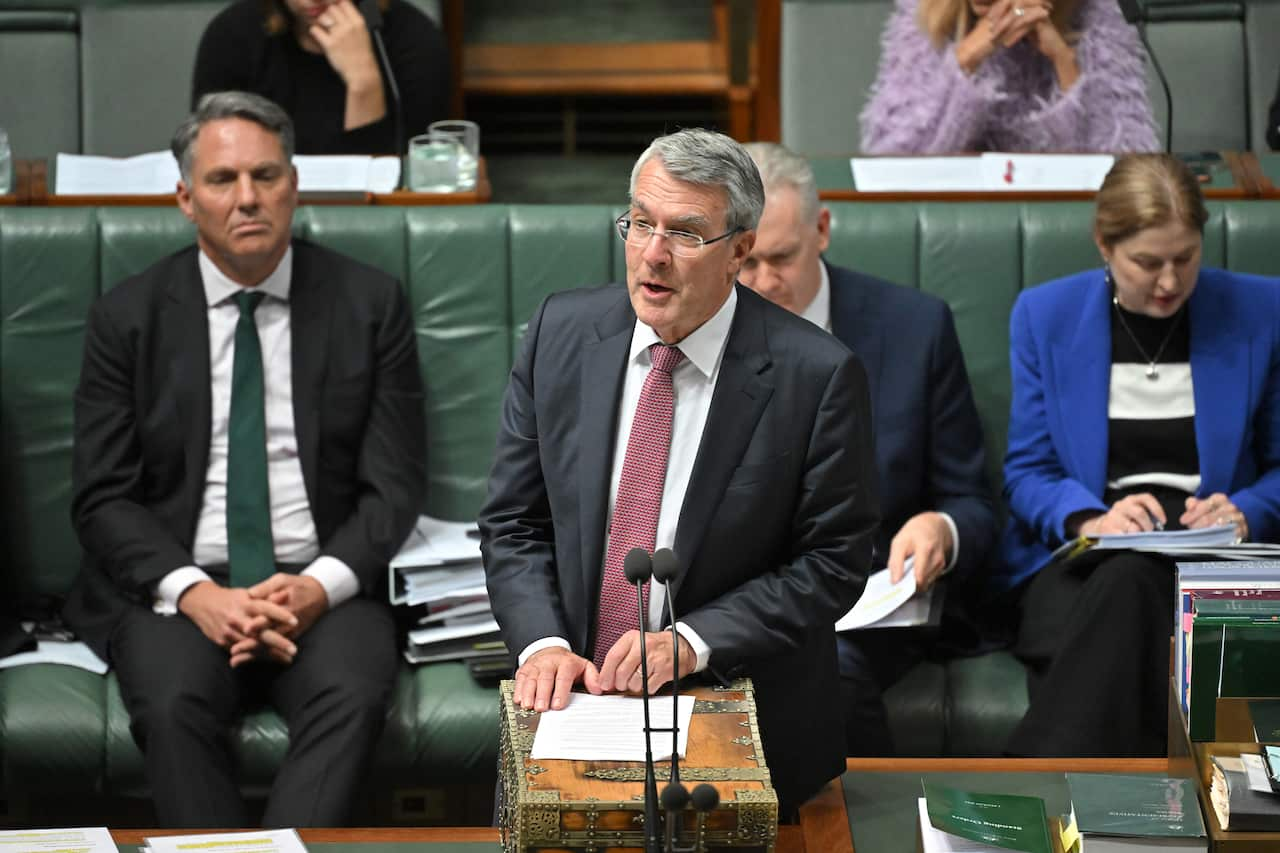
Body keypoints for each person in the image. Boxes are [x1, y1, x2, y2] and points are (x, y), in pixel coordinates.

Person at [478, 128, 879, 814]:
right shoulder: (560, 334)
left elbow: (833, 563)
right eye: (641, 224)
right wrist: (542, 641)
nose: (653, 255)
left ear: (740, 250)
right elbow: (514, 522)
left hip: (735, 708)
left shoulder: (816, 374)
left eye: (687, 234)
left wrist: (691, 643)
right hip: (574, 702)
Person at [63, 91, 426, 826]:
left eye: (266, 176)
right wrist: (198, 593)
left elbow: (394, 487)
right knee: (171, 704)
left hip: (324, 583)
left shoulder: (369, 302)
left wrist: (316, 587)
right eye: (223, 180)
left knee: (352, 695)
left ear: (294, 186)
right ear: (185, 197)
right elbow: (102, 497)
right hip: (179, 589)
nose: (248, 198)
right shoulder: (127, 317)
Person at [997, 153, 1280, 756]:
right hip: (1089, 561)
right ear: (1104, 244)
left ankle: (1027, 789)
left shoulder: (1262, 311)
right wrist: (1090, 519)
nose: (1170, 282)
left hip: (1218, 564)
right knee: (1128, 582)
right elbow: (1028, 471)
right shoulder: (1046, 316)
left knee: (1126, 605)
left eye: (1186, 259)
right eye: (1147, 263)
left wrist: (1248, 510)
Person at [738, 142, 997, 756]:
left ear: (821, 230)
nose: (763, 282)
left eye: (781, 258)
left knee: (818, 669)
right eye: (745, 262)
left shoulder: (914, 328)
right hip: (737, 594)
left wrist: (942, 527)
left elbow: (973, 501)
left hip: (868, 595)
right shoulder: (699, 325)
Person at [859, 0, 1159, 153]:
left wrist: (1065, 64)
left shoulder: (1095, 14)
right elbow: (891, 156)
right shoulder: (928, 10)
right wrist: (966, 57)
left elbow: (1125, 170)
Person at [193, 0, 449, 154]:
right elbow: (215, 160)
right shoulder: (232, 36)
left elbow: (405, 189)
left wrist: (363, 82)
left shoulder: (414, 40)